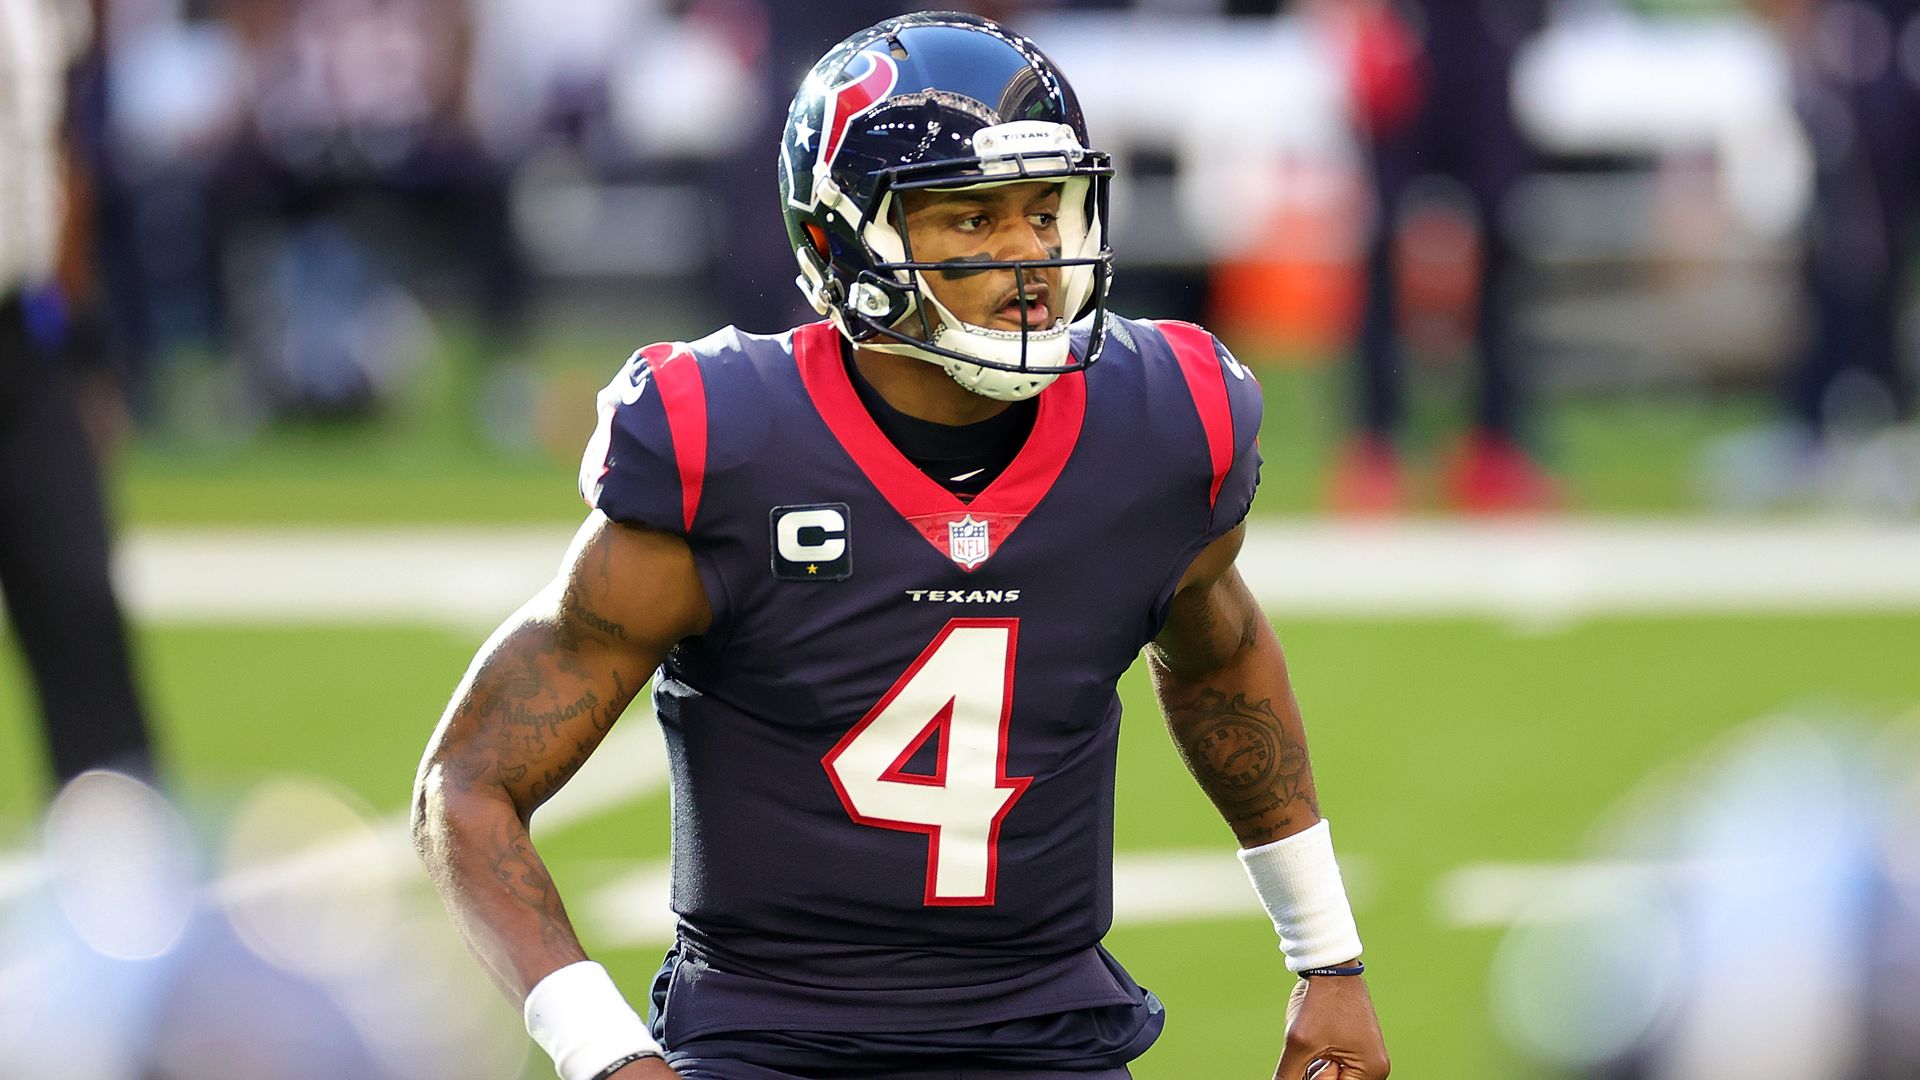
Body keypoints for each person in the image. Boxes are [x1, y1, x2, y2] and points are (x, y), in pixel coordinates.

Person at [413, 12, 1388, 1080]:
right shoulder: (726, 446)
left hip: (1050, 1037)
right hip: (768, 1040)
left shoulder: (1159, 427)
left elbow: (1219, 662)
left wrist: (1328, 960)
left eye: (1045, 210)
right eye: (972, 218)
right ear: (843, 238)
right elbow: (469, 784)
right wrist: (605, 1054)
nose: (1030, 256)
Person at [0, 0, 155, 785]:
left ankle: (121, 847)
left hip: (21, 343)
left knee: (80, 603)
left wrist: (86, 350)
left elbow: (60, 157)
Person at [1321, 0, 1554, 515]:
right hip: (1405, 42)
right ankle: (1376, 450)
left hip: (1483, 46)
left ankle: (1495, 449)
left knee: (1501, 249)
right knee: (1381, 254)